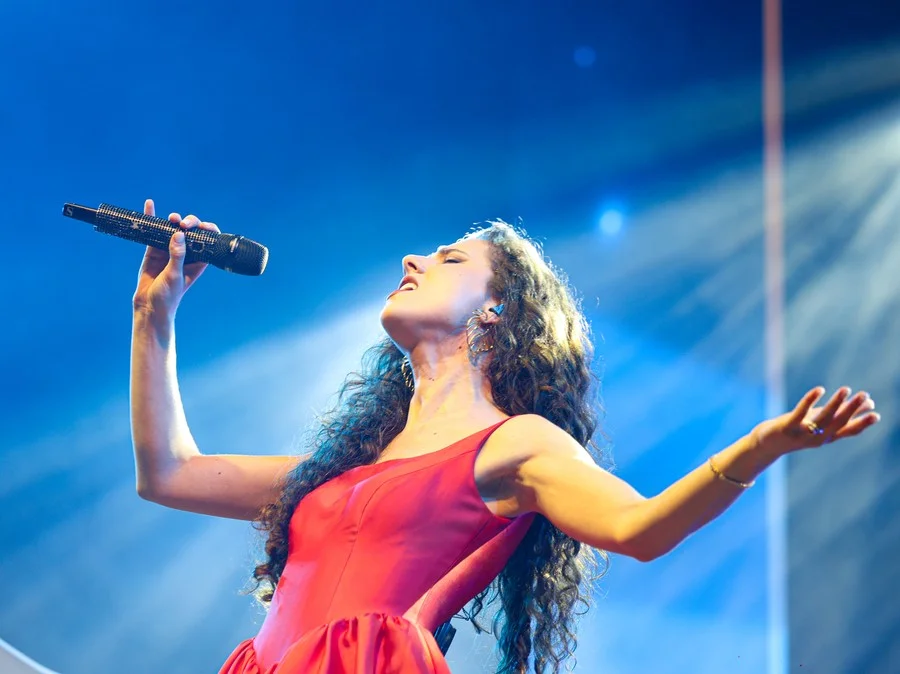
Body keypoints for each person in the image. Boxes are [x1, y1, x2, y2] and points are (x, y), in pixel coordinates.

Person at [130, 198, 880, 674]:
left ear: (497, 310)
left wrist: (758, 449)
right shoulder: (339, 472)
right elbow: (168, 473)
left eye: (449, 257)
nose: (413, 260)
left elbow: (640, 528)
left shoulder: (515, 446)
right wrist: (152, 317)